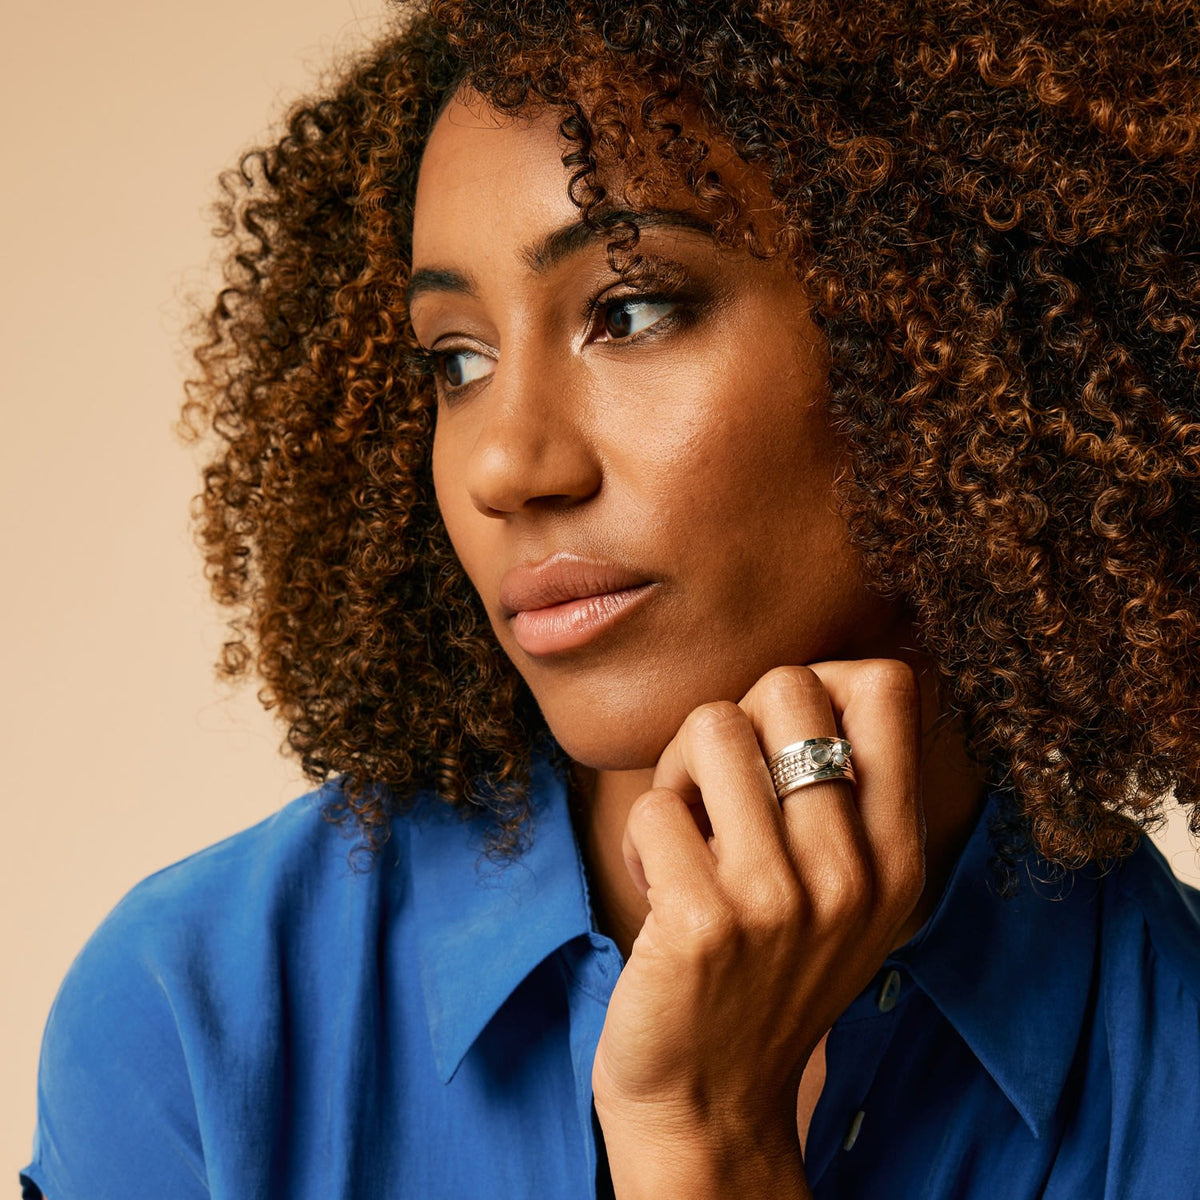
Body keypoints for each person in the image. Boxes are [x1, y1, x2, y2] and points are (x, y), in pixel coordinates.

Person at [20, 1, 1200, 1197]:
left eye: (629, 310)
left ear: (939, 330)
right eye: (457, 360)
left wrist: (705, 1139)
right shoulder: (199, 1022)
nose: (505, 465)